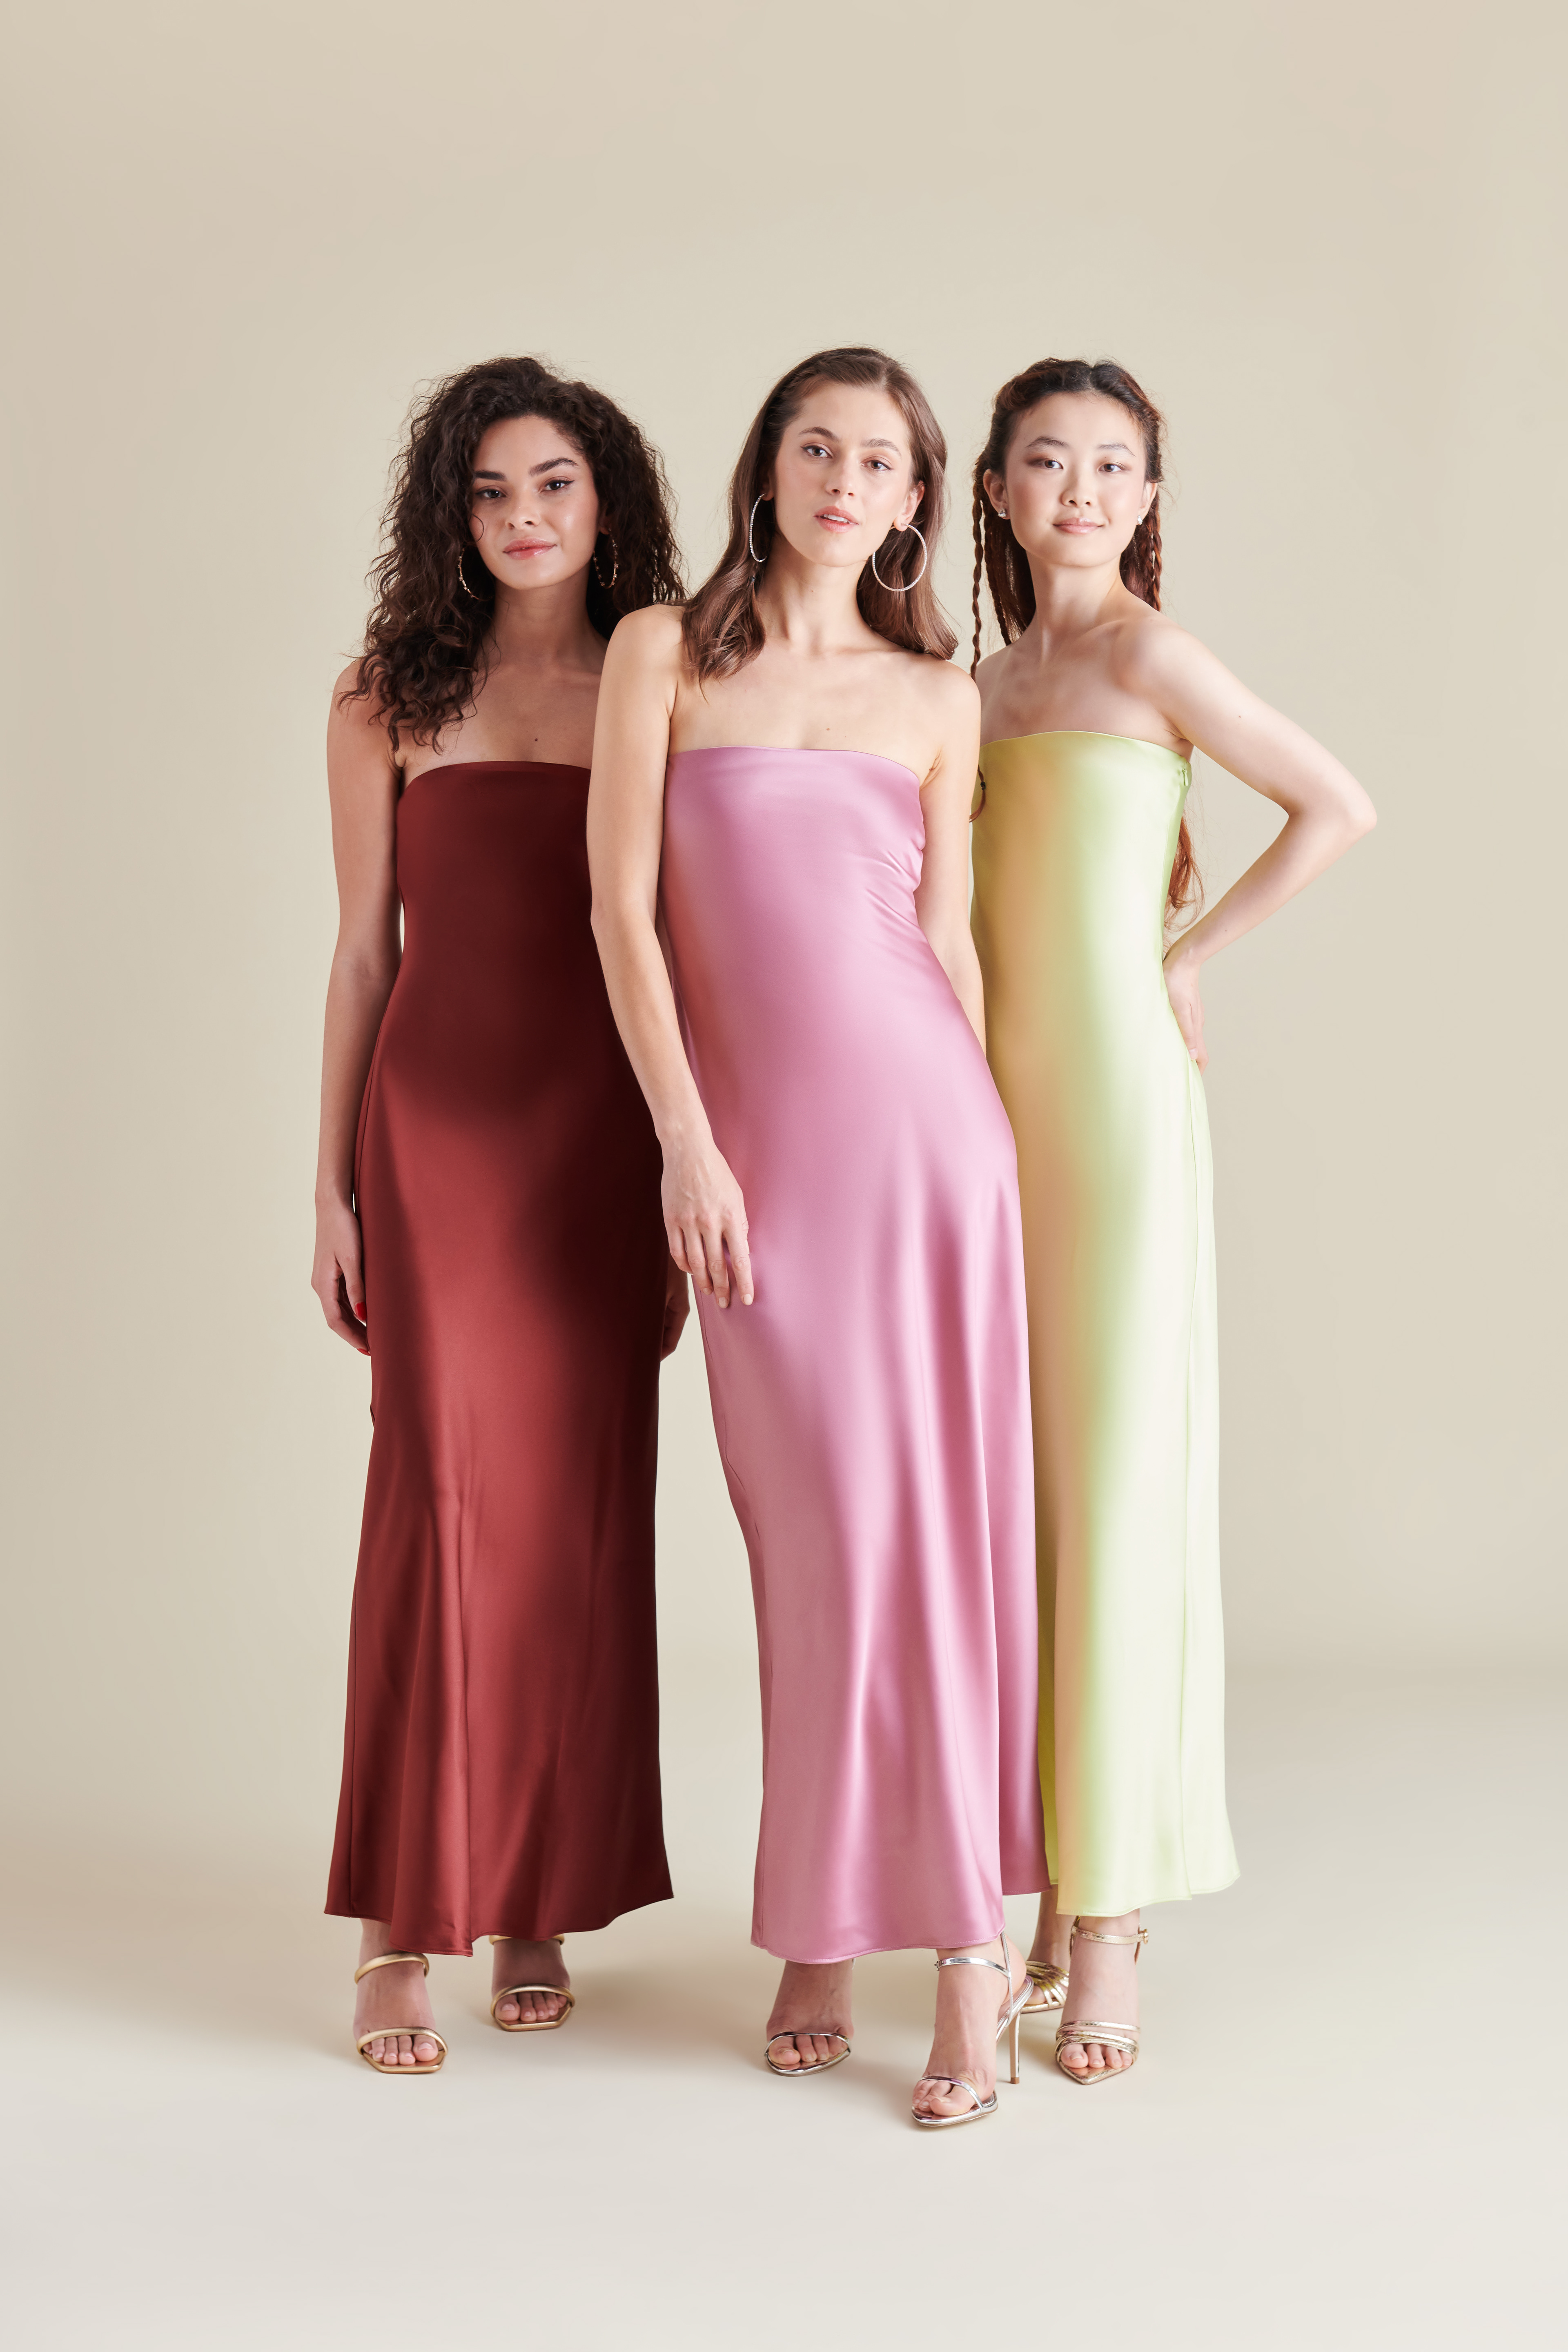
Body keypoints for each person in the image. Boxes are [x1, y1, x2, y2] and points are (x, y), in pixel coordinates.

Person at [588, 347, 1046, 2128]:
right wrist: (685, 1144)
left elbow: (951, 942)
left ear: (918, 500)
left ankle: (963, 1953)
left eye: (881, 460)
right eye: (816, 447)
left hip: (929, 1147)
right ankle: (831, 1910)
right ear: (767, 469)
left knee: (934, 1540)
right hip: (755, 1167)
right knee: (813, 1541)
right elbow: (622, 917)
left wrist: (996, 1155)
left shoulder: (939, 694)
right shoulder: (662, 654)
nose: (846, 480)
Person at [969, 357, 1376, 2083]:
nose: (1081, 488)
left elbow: (1339, 804)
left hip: (1122, 1113)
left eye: (1114, 465)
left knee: (1117, 1490)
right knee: (1017, 1502)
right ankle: (1037, 1885)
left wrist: (1187, 959)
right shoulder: (981, 686)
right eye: (1047, 460)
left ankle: (1111, 1919)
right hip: (979, 1116)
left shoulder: (1155, 659)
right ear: (996, 488)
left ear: (1148, 496)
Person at [313, 355, 688, 2075]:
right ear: (448, 515)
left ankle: (535, 1886)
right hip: (438, 1134)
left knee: (579, 1511)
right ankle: (402, 1920)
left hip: (604, 1136)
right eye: (489, 491)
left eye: (554, 485)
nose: (524, 518)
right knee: (436, 1499)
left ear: (606, 499)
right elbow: (362, 954)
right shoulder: (388, 695)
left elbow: (688, 935)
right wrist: (330, 1180)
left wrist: (690, 1153)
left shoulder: (662, 678)